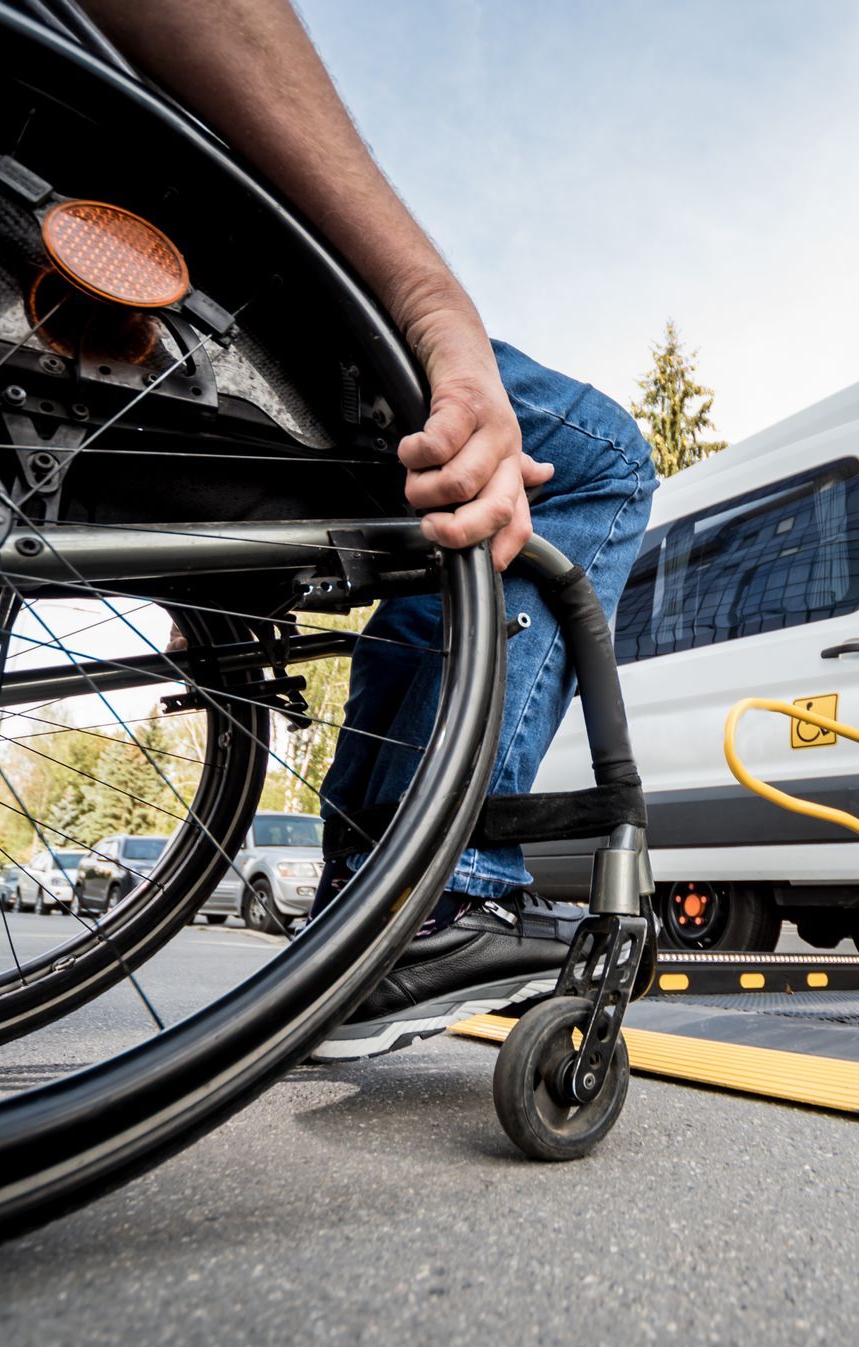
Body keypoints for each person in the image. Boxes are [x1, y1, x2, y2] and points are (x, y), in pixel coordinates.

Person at [80, 2, 657, 1059]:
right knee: (599, 461)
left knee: (436, 536)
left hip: (19, 316)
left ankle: (367, 888)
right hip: (166, 279)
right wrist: (438, 313)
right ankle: (441, 891)